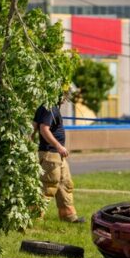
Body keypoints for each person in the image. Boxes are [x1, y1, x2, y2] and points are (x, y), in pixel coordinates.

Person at [34, 87, 80, 223]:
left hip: (56, 155)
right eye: (65, 94)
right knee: (48, 186)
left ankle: (68, 216)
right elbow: (43, 129)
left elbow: (34, 126)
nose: (66, 98)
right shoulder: (50, 107)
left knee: (65, 184)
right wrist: (59, 146)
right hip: (51, 154)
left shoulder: (47, 107)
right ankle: (34, 219)